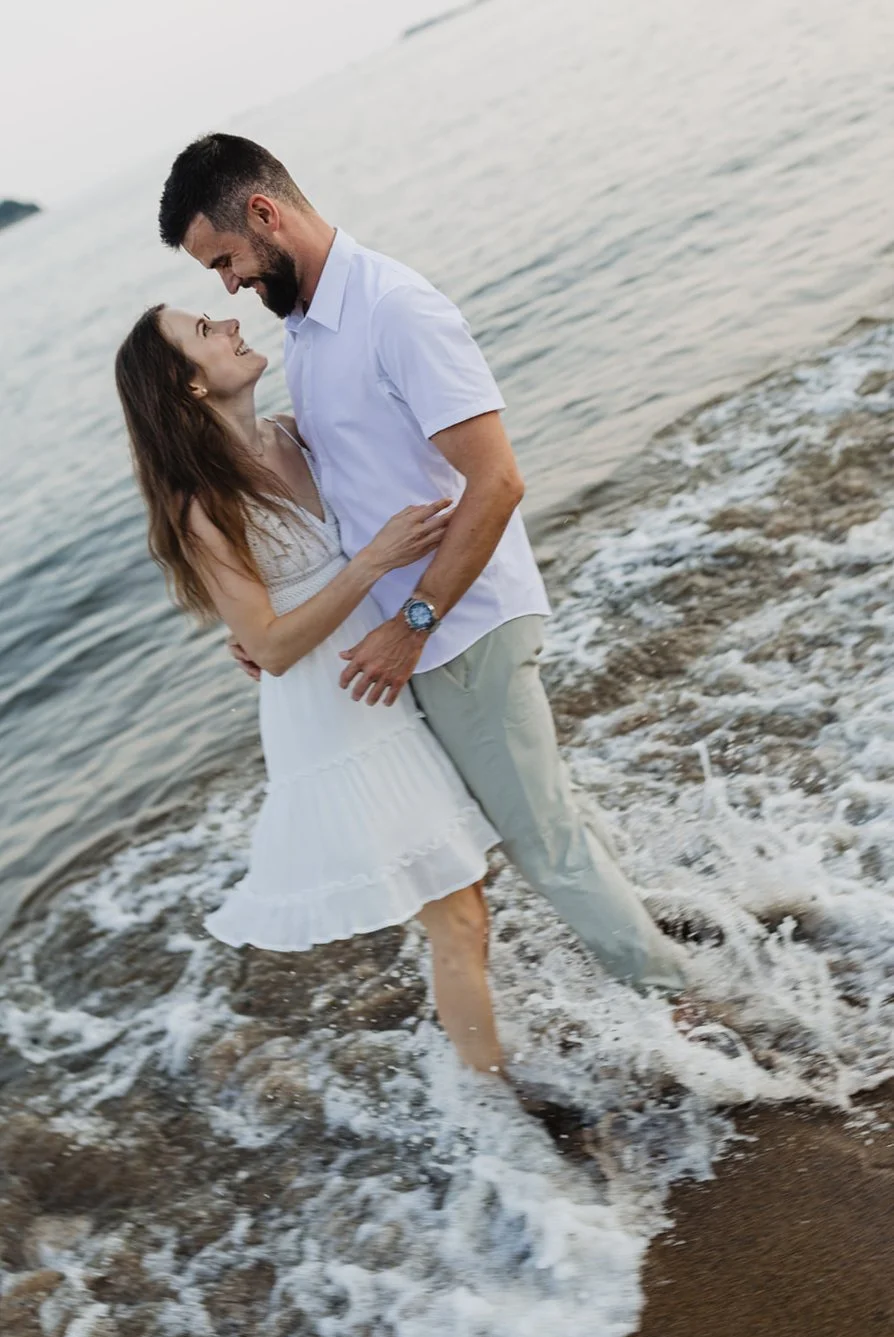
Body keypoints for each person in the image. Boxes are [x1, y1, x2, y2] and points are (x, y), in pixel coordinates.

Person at [158, 133, 688, 998]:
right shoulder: (308, 327)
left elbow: (498, 481)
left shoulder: (393, 309)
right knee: (548, 823)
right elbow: (337, 504)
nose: (227, 287)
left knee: (542, 845)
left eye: (224, 260)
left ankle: (695, 1011)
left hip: (458, 626)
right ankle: (672, 941)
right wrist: (270, 626)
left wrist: (412, 624)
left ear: (263, 214)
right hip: (423, 635)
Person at [115, 305, 508, 1078]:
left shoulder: (295, 433)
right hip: (338, 719)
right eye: (204, 331)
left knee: (466, 904)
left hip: (385, 678)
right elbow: (270, 645)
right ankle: (502, 1117)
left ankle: (483, 1076)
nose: (228, 319)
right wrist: (369, 566)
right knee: (457, 916)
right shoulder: (204, 506)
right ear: (189, 386)